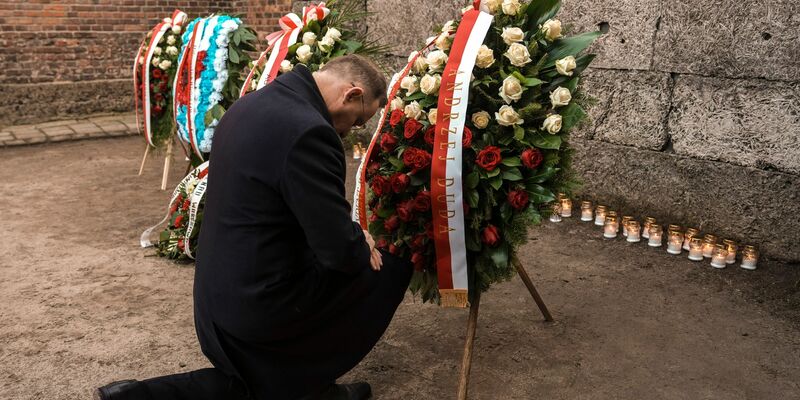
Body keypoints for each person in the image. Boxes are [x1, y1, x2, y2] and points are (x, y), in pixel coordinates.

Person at [96, 55, 413, 400]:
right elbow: (338, 251)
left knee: (253, 382)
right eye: (358, 120)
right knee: (387, 271)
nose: (350, 131)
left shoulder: (251, 103)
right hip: (257, 309)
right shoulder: (311, 132)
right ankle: (308, 384)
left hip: (214, 299)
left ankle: (133, 395)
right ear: (351, 95)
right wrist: (360, 240)